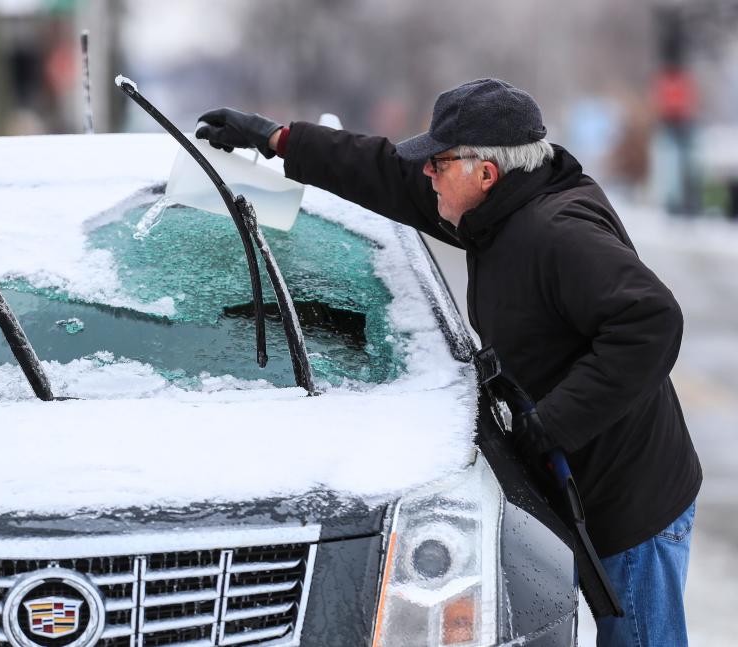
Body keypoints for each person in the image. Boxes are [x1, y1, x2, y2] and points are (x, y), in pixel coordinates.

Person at [196, 78, 702, 647]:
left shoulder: (555, 232)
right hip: (584, 488)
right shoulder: (498, 211)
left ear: (485, 173)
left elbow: (651, 321)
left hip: (632, 503)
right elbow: (386, 173)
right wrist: (281, 140)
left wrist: (550, 423)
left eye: (438, 163)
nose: (427, 174)